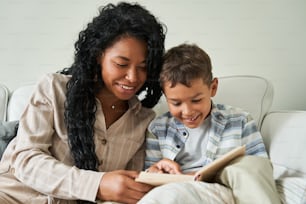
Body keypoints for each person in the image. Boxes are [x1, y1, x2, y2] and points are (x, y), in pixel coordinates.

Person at [0, 2, 165, 204]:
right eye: (121, 64)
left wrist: (155, 176)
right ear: (98, 55)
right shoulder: (53, 89)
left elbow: (126, 189)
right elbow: (25, 160)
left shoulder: (143, 120)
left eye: (143, 67)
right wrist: (98, 184)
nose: (132, 77)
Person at [139, 43, 281, 204]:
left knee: (251, 164)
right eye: (176, 103)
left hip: (226, 186)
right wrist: (157, 169)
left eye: (196, 100)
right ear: (165, 95)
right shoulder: (157, 128)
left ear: (213, 88)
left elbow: (259, 168)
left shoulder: (240, 120)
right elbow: (148, 176)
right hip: (182, 188)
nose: (187, 112)